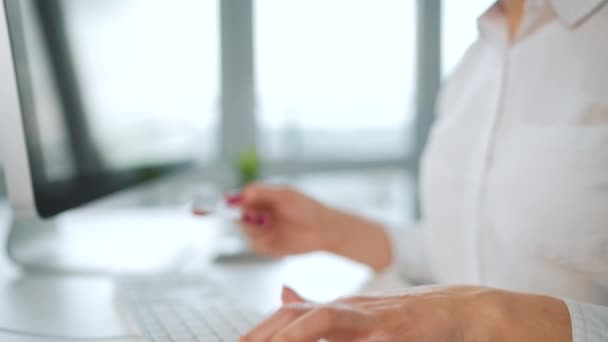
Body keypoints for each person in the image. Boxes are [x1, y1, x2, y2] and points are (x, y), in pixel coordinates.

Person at [224, 0, 608, 340]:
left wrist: (480, 318)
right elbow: (466, 251)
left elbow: (470, 302)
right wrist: (330, 229)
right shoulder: (475, 62)